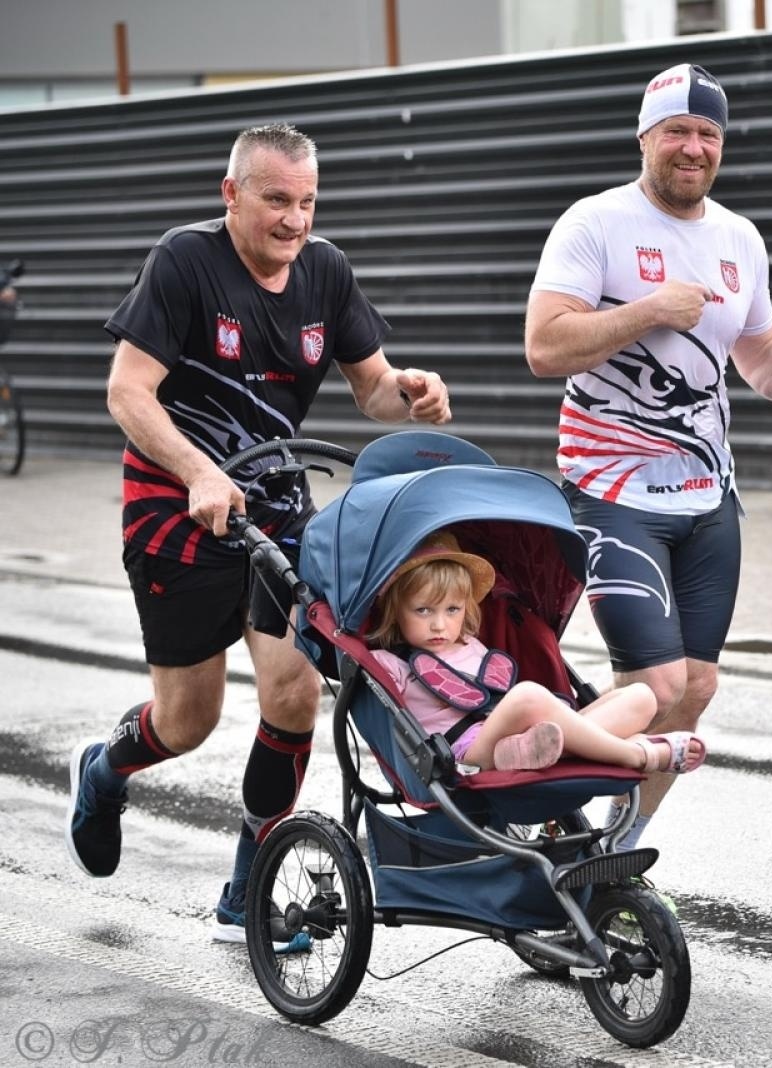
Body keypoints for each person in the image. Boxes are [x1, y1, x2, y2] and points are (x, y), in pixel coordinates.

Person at [64, 123, 454, 950]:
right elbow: (128, 394)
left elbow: (372, 388)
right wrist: (201, 470)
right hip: (176, 513)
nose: (295, 219)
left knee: (293, 692)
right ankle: (104, 771)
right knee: (188, 719)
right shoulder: (184, 262)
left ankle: (249, 893)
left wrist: (409, 391)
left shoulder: (327, 272)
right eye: (277, 199)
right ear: (232, 194)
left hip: (274, 510)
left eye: (308, 200)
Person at [523, 63, 772, 847]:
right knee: (655, 682)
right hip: (611, 491)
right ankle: (515, 751)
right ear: (645, 137)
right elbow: (543, 346)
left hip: (707, 498)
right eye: (677, 132)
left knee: (694, 689)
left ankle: (611, 850)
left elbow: (761, 352)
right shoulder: (595, 224)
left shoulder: (739, 238)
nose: (693, 147)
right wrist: (650, 310)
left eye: (707, 134)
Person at [367, 531, 706, 776]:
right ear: (396, 610)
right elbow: (383, 717)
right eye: (424, 611)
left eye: (452, 610)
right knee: (528, 695)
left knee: (642, 696)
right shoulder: (391, 662)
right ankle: (637, 755)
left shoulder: (473, 647)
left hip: (521, 734)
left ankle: (530, 751)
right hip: (467, 754)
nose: (439, 625)